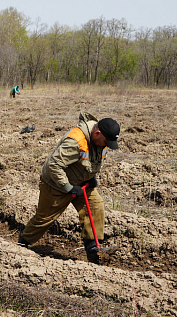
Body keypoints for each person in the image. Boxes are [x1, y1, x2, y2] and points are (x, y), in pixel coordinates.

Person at [18, 113, 120, 265]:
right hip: (55, 183)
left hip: (80, 183)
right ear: (97, 133)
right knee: (44, 219)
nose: (107, 146)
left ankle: (93, 251)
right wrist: (68, 187)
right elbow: (54, 165)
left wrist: (91, 176)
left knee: (95, 206)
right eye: (106, 141)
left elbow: (95, 159)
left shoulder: (101, 141)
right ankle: (22, 244)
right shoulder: (76, 141)